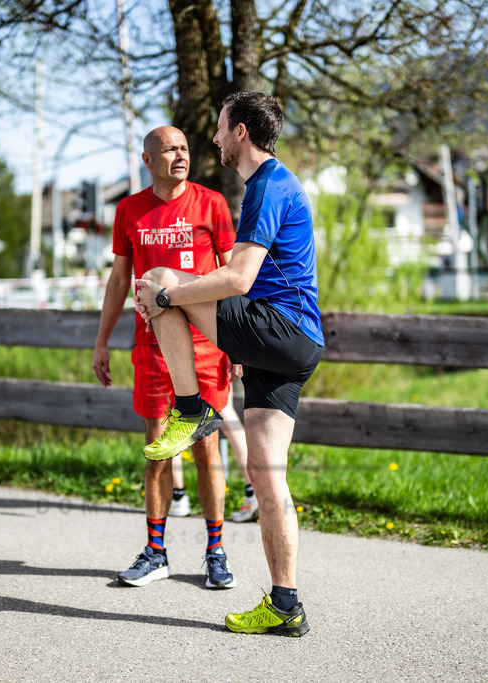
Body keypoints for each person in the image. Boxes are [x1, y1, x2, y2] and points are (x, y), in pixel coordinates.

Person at [134, 92, 324, 637]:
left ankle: (192, 408)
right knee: (267, 477)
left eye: (219, 129)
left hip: (281, 330)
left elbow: (238, 279)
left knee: (160, 281)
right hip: (290, 346)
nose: (213, 139)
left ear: (240, 132)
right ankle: (286, 604)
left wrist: (171, 299)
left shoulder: (267, 186)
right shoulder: (274, 183)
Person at [93, 125, 240, 589]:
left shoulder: (211, 203)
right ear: (147, 160)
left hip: (205, 345)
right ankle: (156, 552)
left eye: (183, 149)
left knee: (205, 447)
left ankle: (216, 550)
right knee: (158, 448)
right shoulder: (129, 210)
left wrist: (234, 339)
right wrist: (101, 341)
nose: (179, 156)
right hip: (151, 347)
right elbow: (120, 281)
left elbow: (230, 273)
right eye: (168, 150)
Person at [169, 375, 258, 523]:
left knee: (173, 411)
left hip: (185, 356)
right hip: (219, 355)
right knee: (225, 409)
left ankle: (177, 496)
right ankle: (255, 489)